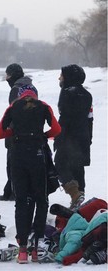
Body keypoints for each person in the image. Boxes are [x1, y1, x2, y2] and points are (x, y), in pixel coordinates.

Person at [0, 89, 61, 264]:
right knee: (41, 198)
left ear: (20, 97)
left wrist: (15, 133)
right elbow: (56, 129)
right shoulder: (43, 106)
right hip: (37, 155)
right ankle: (36, 246)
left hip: (18, 155)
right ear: (35, 96)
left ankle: (22, 248)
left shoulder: (13, 107)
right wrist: (42, 135)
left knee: (22, 200)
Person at [54, 64, 93, 211]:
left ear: (68, 77)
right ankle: (79, 200)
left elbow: (65, 118)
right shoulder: (87, 95)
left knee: (60, 164)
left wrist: (58, 136)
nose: (59, 78)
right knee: (78, 167)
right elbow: (90, 118)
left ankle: (75, 194)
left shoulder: (67, 92)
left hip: (69, 136)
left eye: (62, 75)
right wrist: (89, 138)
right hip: (83, 136)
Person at [0, 63, 38, 201]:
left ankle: (13, 191)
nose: (6, 78)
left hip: (16, 132)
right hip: (33, 132)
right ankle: (16, 189)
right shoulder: (31, 87)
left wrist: (7, 129)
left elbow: (15, 111)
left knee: (13, 163)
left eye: (8, 75)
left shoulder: (16, 89)